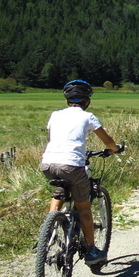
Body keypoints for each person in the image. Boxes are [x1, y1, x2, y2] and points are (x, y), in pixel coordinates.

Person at [39, 79, 120, 265]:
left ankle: (49, 229)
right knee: (83, 207)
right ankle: (91, 251)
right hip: (72, 165)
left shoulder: (55, 115)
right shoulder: (88, 117)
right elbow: (107, 141)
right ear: (87, 101)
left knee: (59, 191)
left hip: (48, 164)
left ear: (67, 100)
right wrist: (114, 149)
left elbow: (54, 138)